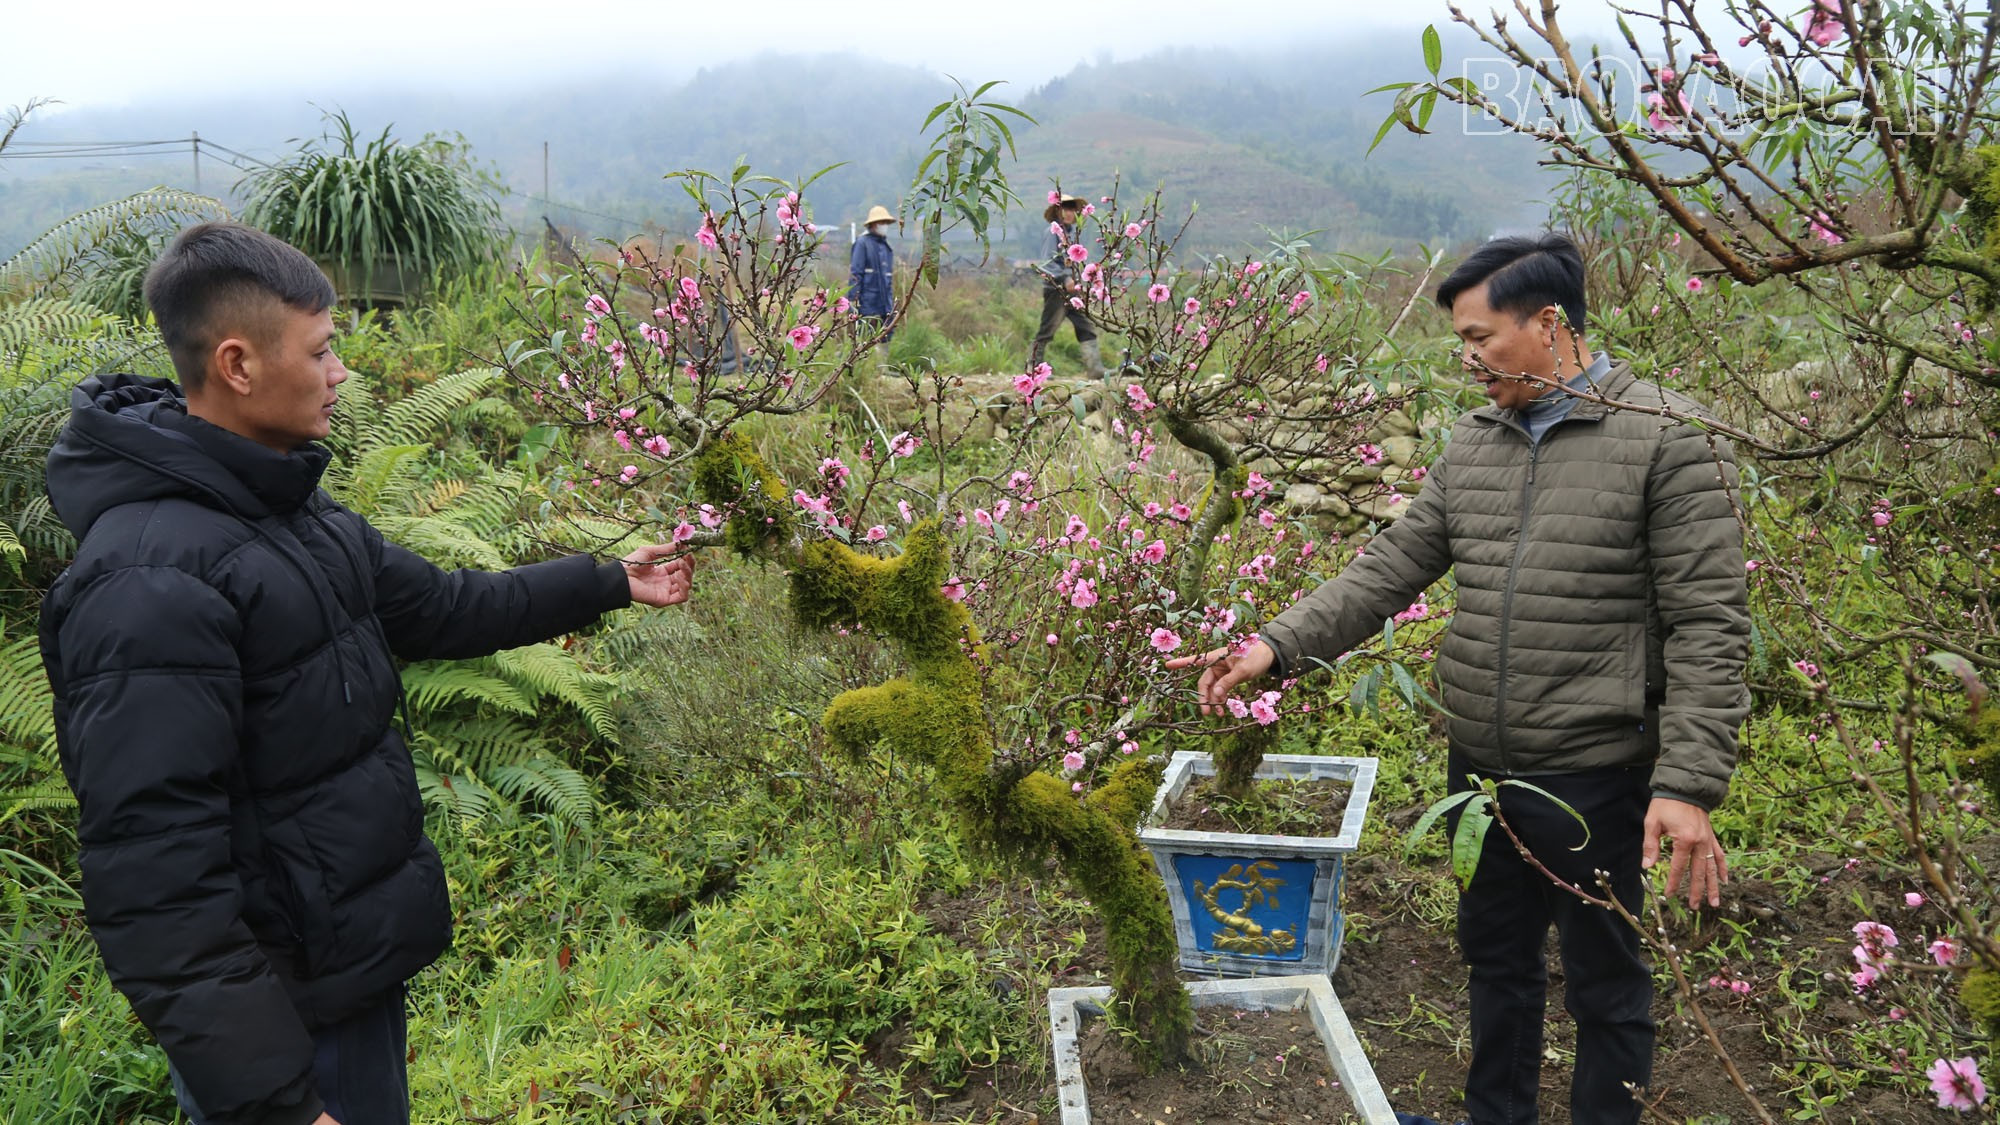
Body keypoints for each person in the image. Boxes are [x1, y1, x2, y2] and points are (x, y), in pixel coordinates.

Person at [38, 221, 697, 1125]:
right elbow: (157, 880)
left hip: (343, 972)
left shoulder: (289, 513)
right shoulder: (149, 582)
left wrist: (610, 578)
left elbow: (442, 608)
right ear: (238, 364)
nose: (342, 371)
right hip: (278, 1024)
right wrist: (276, 1100)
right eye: (322, 350)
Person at [1172, 233, 1750, 1125]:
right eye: (1463, 341)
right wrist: (1273, 647)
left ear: (1551, 323)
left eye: (1482, 337)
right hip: (1481, 770)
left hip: (1594, 773)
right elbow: (1391, 566)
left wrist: (1686, 783)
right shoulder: (1477, 442)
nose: (1469, 359)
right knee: (1496, 961)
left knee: (1605, 985)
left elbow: (1710, 623)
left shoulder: (1665, 438)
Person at [1028, 192, 1105, 378]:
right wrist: (1064, 279)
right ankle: (1032, 369)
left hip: (1072, 289)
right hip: (1056, 289)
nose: (1069, 213)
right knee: (1047, 329)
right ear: (1057, 211)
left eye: (1072, 209)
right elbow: (1048, 262)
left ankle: (1095, 370)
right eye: (1065, 209)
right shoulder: (1052, 233)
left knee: (1085, 327)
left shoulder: (1072, 234)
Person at [849, 203, 897, 347]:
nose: (884, 225)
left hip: (885, 304)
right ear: (873, 224)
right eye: (881, 222)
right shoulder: (862, 243)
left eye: (885, 222)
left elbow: (888, 280)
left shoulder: (886, 247)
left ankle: (883, 367)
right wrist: (853, 299)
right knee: (865, 337)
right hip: (867, 302)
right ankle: (866, 367)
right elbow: (856, 273)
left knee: (886, 336)